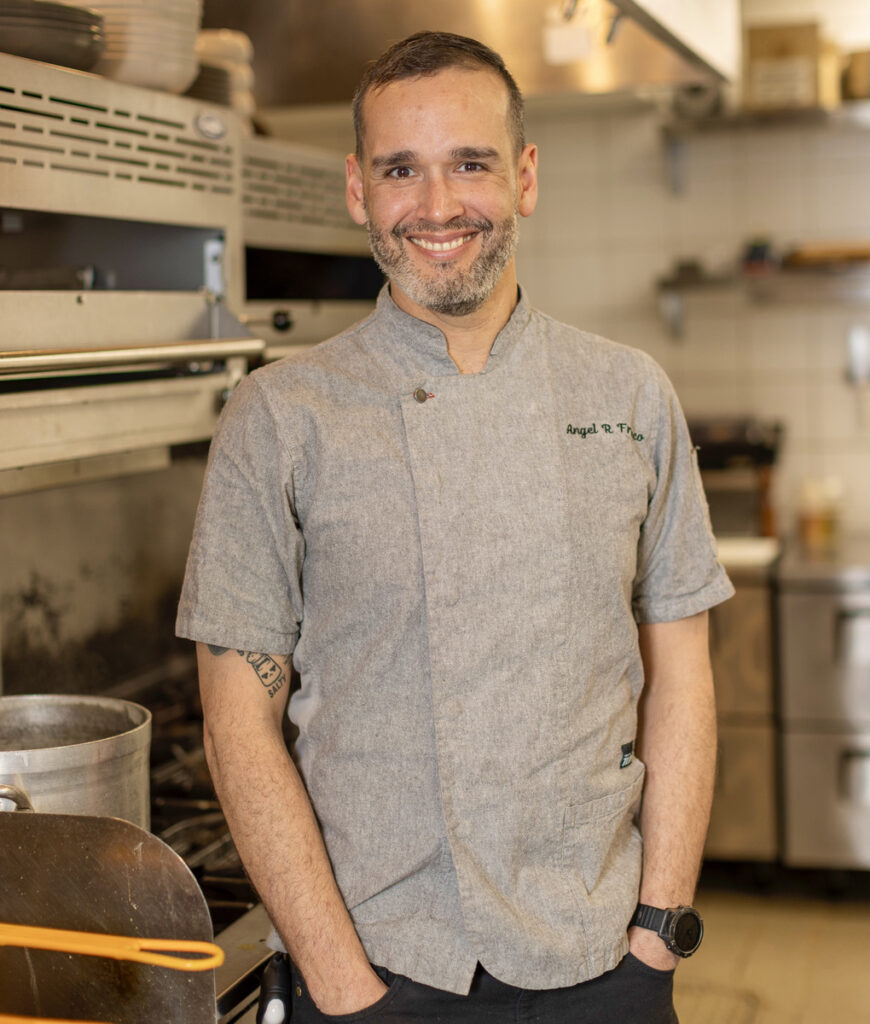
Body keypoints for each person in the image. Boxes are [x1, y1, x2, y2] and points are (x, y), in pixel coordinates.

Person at [176, 30, 734, 1024]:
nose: (437, 208)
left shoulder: (630, 393)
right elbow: (238, 724)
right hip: (381, 966)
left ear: (524, 176)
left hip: (604, 959)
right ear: (359, 190)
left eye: (469, 164)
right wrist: (343, 983)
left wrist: (660, 929)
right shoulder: (281, 418)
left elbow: (682, 674)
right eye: (402, 171)